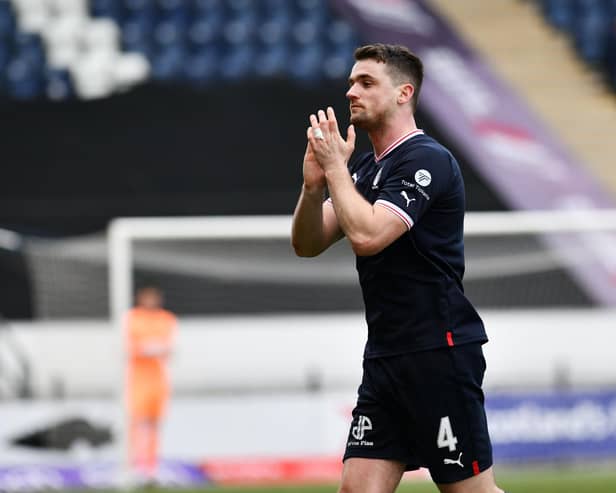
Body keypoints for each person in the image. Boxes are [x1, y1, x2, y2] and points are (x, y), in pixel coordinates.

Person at [291, 43, 505, 493]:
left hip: (438, 352)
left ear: (404, 93)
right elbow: (307, 243)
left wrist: (335, 169)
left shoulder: (425, 159)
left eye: (366, 82)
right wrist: (314, 188)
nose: (352, 91)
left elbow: (369, 236)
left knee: (470, 491)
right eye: (351, 81)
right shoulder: (367, 169)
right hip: (387, 356)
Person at [125, 285, 177, 484]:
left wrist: (153, 348)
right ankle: (133, 465)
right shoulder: (131, 318)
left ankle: (151, 467)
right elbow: (129, 346)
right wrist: (147, 348)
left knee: (155, 424)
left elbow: (168, 347)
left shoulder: (167, 319)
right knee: (136, 423)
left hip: (158, 377)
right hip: (137, 377)